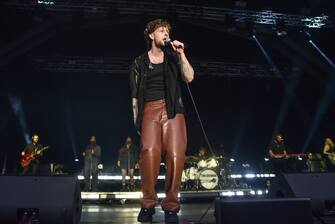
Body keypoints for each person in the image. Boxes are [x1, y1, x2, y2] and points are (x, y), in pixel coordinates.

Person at [129, 18, 194, 223]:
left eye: (167, 31)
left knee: (175, 155)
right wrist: (137, 122)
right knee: (149, 153)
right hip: (149, 109)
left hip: (174, 109)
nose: (165, 33)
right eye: (161, 30)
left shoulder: (174, 58)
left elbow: (189, 77)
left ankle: (171, 207)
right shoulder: (139, 62)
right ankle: (148, 204)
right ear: (151, 35)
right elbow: (134, 97)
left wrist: (181, 54)